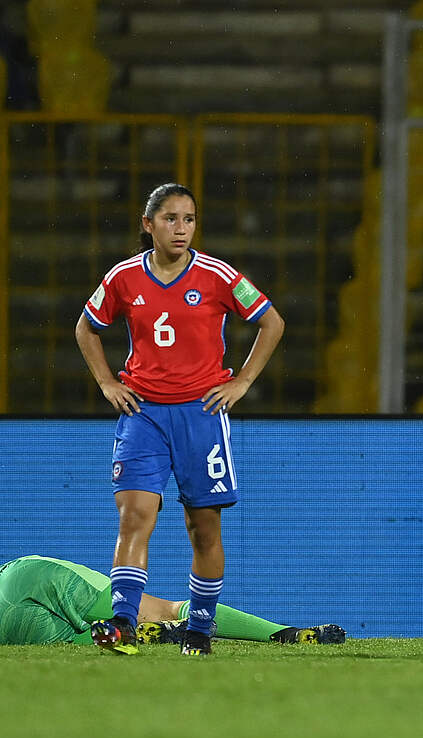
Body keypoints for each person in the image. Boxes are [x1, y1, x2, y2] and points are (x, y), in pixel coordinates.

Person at [74, 183, 286, 656]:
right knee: (134, 517)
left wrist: (242, 382)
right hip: (143, 414)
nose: (181, 229)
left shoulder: (217, 276)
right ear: (147, 225)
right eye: (170, 219)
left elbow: (271, 321)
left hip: (201, 415)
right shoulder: (124, 278)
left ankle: (200, 628)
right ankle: (124, 624)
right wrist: (108, 382)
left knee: (203, 528)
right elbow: (86, 327)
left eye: (189, 219)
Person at [0, 555, 343, 648]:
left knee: (93, 641)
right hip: (27, 579)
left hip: (8, 622)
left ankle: (154, 634)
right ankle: (287, 634)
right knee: (161, 610)